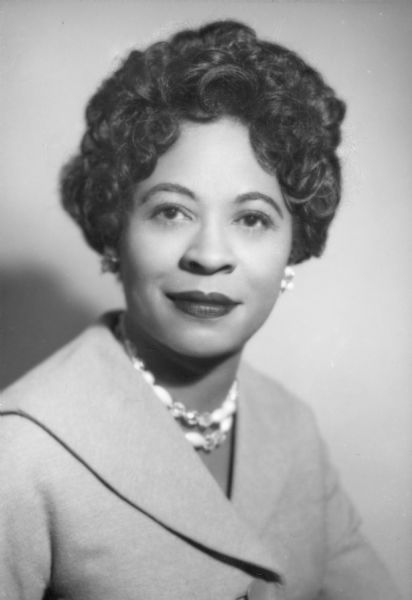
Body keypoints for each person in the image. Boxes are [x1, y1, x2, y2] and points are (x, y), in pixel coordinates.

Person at [0, 19, 400, 600]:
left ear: (295, 246)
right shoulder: (18, 456)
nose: (210, 255)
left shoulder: (291, 428)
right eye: (170, 212)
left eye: (253, 218)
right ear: (115, 233)